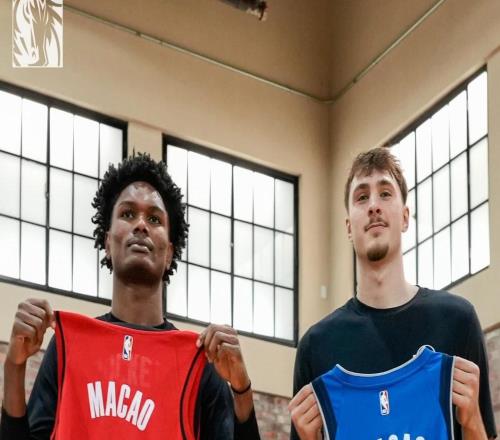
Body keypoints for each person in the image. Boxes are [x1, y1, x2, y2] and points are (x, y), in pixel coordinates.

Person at [0, 153, 261, 439]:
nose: (141, 225)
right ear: (107, 241)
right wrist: (14, 365)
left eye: (154, 218)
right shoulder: (68, 348)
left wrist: (242, 389)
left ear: (170, 253)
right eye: (127, 214)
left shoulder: (200, 363)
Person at [288, 147, 497, 440]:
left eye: (385, 193)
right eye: (362, 197)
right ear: (348, 227)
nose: (374, 205)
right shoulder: (316, 346)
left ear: (405, 216)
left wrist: (473, 421)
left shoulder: (458, 321)